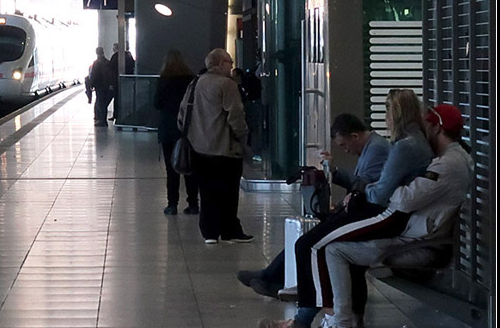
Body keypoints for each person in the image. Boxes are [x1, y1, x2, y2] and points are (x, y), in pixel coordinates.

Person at [257, 88, 432, 328]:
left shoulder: (404, 147)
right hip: (387, 211)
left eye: (387, 112)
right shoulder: (411, 144)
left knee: (313, 245)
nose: (386, 119)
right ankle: (312, 312)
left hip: (385, 214)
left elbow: (380, 192)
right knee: (311, 242)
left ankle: (324, 317)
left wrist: (361, 189)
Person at [304, 103, 472, 328]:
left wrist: (390, 187)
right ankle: (351, 324)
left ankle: (342, 326)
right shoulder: (456, 158)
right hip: (420, 235)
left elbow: (403, 200)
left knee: (335, 249)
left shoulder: (447, 165)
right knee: (342, 242)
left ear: (436, 128)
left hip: (419, 244)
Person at [238, 113, 391, 297]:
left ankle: (279, 280)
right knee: (312, 235)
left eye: (344, 145)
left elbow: (363, 185)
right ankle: (272, 276)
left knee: (313, 238)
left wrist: (343, 196)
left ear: (355, 137)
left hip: (370, 213)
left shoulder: (376, 149)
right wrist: (333, 171)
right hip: (365, 210)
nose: (346, 151)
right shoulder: (372, 148)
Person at [178, 48, 249, 243]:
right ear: (219, 63)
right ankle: (229, 231)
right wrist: (242, 137)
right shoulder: (227, 85)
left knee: (207, 192)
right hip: (224, 149)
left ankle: (209, 232)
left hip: (199, 149)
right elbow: (236, 116)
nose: (232, 65)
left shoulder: (195, 83)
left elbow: (182, 115)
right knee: (228, 192)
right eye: (229, 61)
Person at [154, 50, 198, 216]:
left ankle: (172, 204)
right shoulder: (191, 79)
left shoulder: (164, 80)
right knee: (189, 167)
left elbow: (156, 103)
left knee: (171, 169)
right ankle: (193, 204)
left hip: (168, 128)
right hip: (188, 128)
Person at [107, 43, 135, 121]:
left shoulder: (115, 57)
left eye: (114, 48)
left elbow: (111, 70)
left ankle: (116, 115)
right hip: (127, 80)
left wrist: (111, 83)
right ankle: (126, 114)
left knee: (116, 99)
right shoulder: (128, 56)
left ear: (116, 49)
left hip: (116, 81)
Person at [87, 47, 113, 127]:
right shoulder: (108, 62)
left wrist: (91, 85)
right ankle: (102, 119)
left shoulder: (97, 63)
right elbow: (110, 75)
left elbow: (94, 75)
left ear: (97, 53)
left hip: (99, 86)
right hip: (106, 85)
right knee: (103, 103)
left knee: (100, 102)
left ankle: (101, 121)